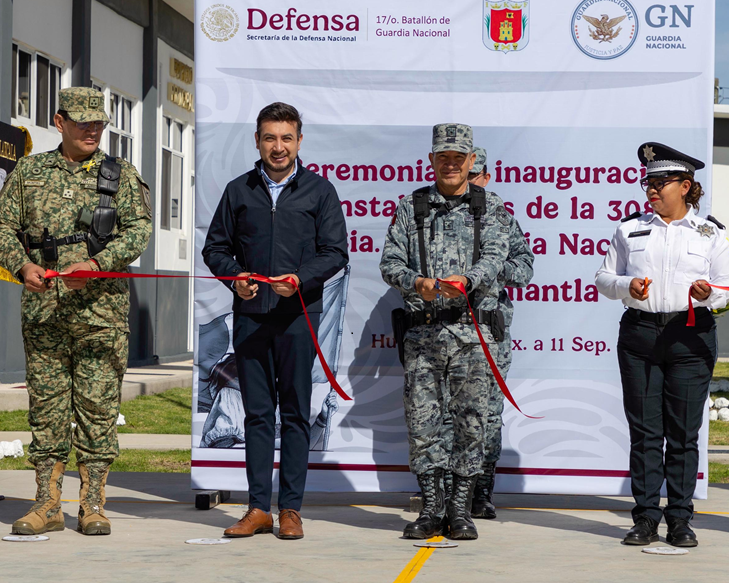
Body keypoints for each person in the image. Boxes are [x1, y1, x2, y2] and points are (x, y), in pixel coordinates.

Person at [0, 87, 153, 537]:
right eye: (83, 122)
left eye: (98, 122)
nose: (92, 130)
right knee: (47, 408)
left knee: (98, 408)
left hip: (101, 314)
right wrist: (22, 266)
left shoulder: (119, 174)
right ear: (59, 123)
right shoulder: (30, 171)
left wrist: (98, 264)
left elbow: (139, 230)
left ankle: (93, 504)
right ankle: (47, 504)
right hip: (44, 310)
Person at [201, 102, 348, 541]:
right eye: (270, 137)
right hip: (250, 318)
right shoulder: (238, 191)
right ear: (258, 141)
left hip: (298, 318)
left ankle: (291, 510)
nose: (278, 146)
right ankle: (257, 508)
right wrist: (235, 279)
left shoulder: (319, 192)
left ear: (299, 141)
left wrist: (300, 280)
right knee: (258, 415)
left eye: (286, 138)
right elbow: (216, 249)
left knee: (297, 414)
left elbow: (335, 252)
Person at [594, 142, 729, 549]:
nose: (651, 189)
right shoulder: (629, 228)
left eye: (660, 182)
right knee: (644, 432)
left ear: (686, 186)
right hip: (640, 335)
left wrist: (709, 292)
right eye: (647, 182)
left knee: (683, 433)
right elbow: (604, 279)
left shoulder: (711, 232)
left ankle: (679, 519)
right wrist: (627, 285)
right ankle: (644, 518)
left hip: (690, 336)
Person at [380, 124, 511, 541]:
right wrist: (415, 282)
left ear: (471, 161)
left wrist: (466, 281)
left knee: (472, 423)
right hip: (423, 336)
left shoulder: (489, 206)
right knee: (423, 425)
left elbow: (495, 258)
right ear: (432, 160)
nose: (451, 164)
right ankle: (431, 509)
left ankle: (460, 509)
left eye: (459, 157)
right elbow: (389, 262)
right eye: (444, 157)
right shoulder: (411, 206)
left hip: (471, 336)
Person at [465, 147, 533, 519]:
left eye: (475, 176)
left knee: (488, 414)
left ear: (486, 178)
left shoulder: (500, 216)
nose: (468, 182)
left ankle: (481, 491)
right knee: (444, 414)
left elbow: (525, 267)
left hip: (488, 332)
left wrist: (488, 268)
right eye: (464, 174)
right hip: (443, 330)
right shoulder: (433, 211)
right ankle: (443, 492)